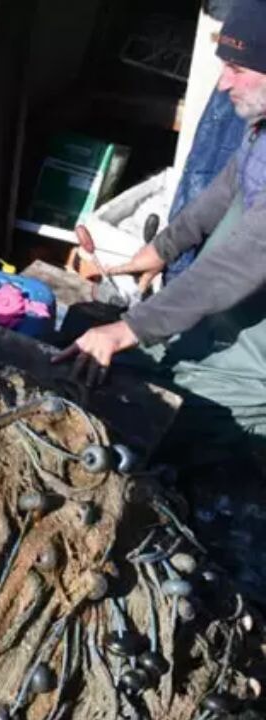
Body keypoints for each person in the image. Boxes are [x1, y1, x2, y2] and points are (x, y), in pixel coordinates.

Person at [53, 0, 266, 441]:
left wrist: (129, 328)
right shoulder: (260, 127)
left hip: (257, 344)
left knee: (174, 411)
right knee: (90, 339)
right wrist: (162, 248)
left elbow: (238, 263)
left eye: (239, 70)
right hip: (240, 306)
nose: (224, 84)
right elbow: (227, 186)